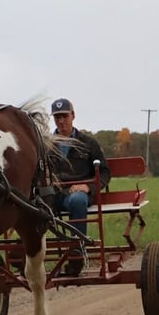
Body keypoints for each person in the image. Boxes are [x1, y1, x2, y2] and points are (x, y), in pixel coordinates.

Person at [50, 98, 111, 275]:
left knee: (77, 200)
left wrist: (88, 186)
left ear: (73, 115)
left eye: (64, 116)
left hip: (77, 195)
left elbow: (105, 172)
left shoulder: (88, 143)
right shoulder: (46, 145)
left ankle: (77, 253)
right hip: (52, 194)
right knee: (30, 203)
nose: (61, 121)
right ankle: (27, 253)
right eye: (57, 117)